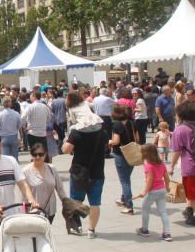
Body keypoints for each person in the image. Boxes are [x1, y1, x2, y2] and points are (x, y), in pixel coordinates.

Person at [62, 102, 108, 237]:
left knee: (76, 201)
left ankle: (77, 227)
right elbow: (105, 147)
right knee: (95, 203)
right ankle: (91, 230)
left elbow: (65, 150)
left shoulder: (76, 133)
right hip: (97, 171)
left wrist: (67, 139)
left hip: (79, 172)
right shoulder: (102, 132)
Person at [168, 102, 195, 228]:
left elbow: (177, 151)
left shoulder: (180, 129)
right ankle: (189, 210)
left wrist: (172, 166)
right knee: (190, 188)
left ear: (180, 115)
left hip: (190, 165)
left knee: (192, 192)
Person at [133, 144, 172, 241]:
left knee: (145, 209)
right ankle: (167, 233)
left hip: (152, 191)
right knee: (163, 211)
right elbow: (166, 178)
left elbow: (150, 180)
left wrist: (144, 192)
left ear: (146, 154)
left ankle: (144, 230)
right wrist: (167, 188)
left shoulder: (148, 165)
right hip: (162, 190)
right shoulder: (161, 163)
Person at [21, 143, 66, 224]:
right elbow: (24, 192)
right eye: (35, 154)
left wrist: (66, 202)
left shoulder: (51, 168)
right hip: (33, 212)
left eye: (40, 154)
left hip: (50, 210)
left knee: (46, 234)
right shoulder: (25, 171)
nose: (38, 157)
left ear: (45, 155)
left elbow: (60, 188)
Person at [109, 105, 138, 216]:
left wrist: (109, 142)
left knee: (125, 180)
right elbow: (137, 139)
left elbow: (116, 141)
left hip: (121, 154)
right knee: (126, 178)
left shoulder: (116, 125)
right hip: (132, 153)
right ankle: (123, 198)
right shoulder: (132, 123)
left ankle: (129, 206)